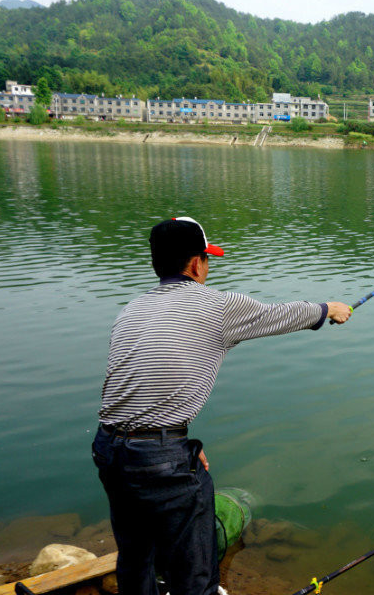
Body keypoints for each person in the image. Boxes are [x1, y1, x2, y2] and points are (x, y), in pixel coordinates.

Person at [91, 216, 352, 595]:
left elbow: (141, 387)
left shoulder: (131, 310)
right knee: (195, 568)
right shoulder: (218, 306)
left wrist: (179, 445)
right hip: (158, 455)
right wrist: (328, 308)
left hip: (109, 448)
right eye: (207, 260)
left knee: (135, 555)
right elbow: (279, 315)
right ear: (196, 263)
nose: (208, 268)